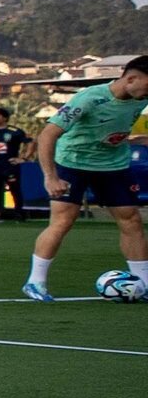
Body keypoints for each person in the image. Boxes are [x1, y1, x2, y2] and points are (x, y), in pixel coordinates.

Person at [22, 56, 148, 302]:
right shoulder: (90, 98)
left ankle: (143, 284)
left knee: (131, 220)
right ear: (131, 78)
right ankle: (35, 282)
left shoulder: (140, 97)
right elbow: (47, 135)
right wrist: (51, 177)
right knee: (63, 221)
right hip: (73, 163)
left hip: (114, 165)